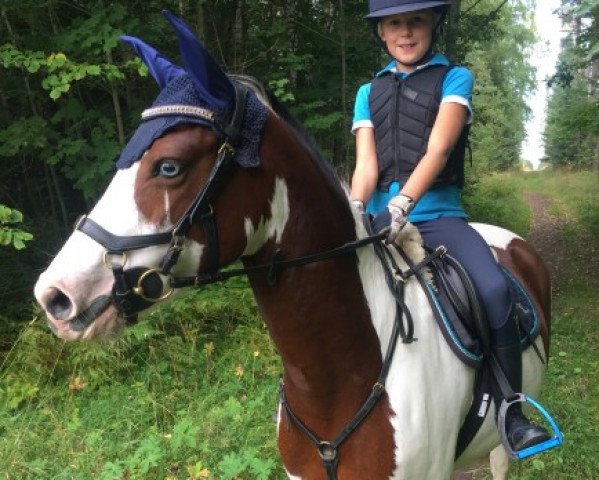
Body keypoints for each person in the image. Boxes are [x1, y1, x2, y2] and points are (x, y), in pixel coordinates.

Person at [350, 0, 551, 453]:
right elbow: (366, 166)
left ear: (433, 25)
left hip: (438, 217)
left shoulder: (454, 78)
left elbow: (438, 150)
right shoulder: (368, 92)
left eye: (415, 21)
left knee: (494, 289)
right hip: (377, 221)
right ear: (381, 32)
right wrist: (356, 209)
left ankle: (510, 412)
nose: (405, 32)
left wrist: (403, 203)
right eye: (395, 24)